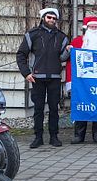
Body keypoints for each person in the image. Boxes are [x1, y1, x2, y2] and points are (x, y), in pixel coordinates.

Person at [16, 8, 70, 148]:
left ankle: (54, 137)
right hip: (36, 77)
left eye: (54, 18)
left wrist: (67, 52)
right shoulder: (32, 34)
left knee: (54, 109)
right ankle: (38, 137)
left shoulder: (62, 37)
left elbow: (62, 58)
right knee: (38, 109)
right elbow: (21, 54)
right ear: (43, 18)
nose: (51, 20)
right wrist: (26, 73)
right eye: (49, 17)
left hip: (55, 77)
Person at [67, 16, 97, 144]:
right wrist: (70, 82)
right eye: (91, 27)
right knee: (81, 105)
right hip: (81, 83)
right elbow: (70, 63)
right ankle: (79, 134)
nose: (94, 29)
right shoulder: (77, 42)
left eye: (96, 27)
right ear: (86, 28)